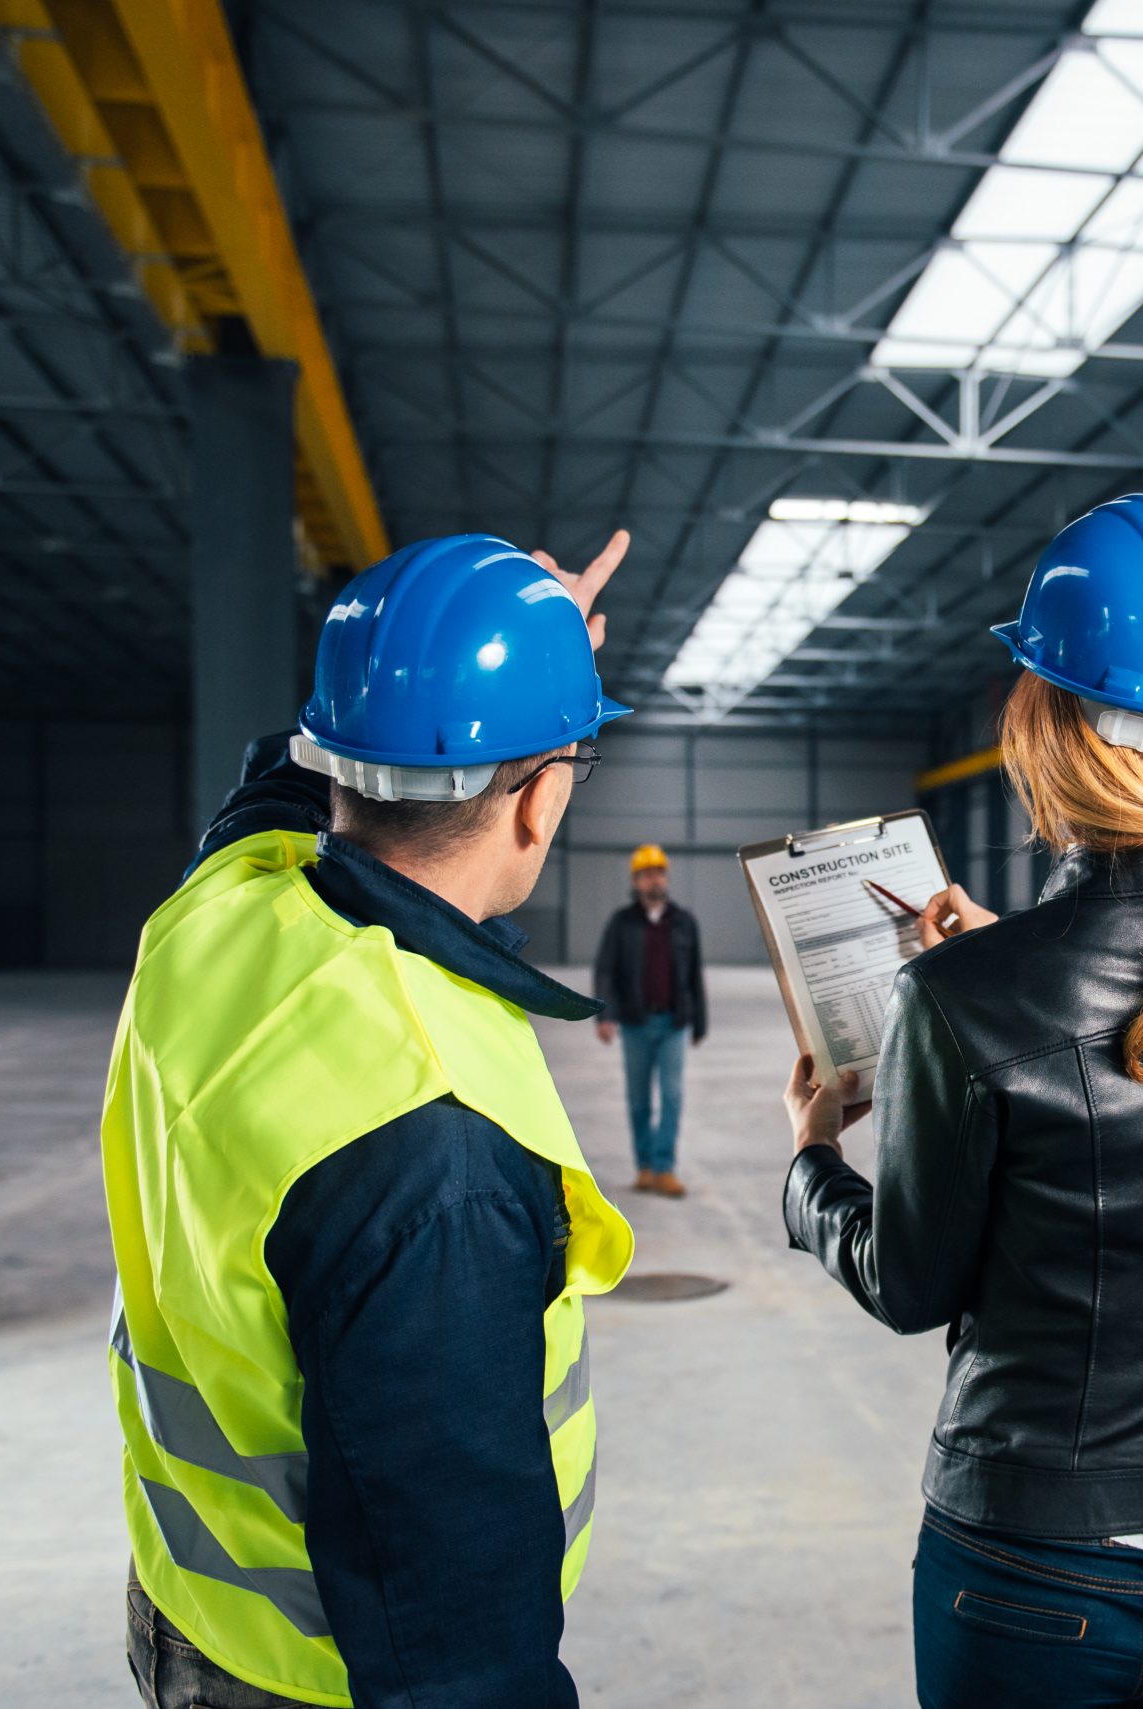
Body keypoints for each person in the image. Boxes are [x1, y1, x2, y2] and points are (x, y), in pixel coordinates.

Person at [779, 494, 1143, 1709]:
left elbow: (910, 1282)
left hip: (1028, 1559)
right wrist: (1013, 960)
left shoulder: (963, 999)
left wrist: (808, 1162)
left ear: (1042, 725)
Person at [101, 530, 638, 1709]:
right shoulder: (435, 1129)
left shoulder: (214, 909)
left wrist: (494, 655)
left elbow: (270, 785)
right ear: (542, 802)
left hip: (188, 1609)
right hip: (315, 1675)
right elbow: (454, 1627)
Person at [593, 842, 709, 1197]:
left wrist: (699, 1021)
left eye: (657, 873)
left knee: (672, 1096)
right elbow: (605, 970)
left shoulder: (684, 922)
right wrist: (605, 1015)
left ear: (665, 878)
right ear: (636, 881)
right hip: (635, 1023)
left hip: (673, 1023)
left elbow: (694, 975)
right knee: (639, 1099)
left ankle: (663, 1167)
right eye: (645, 875)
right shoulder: (621, 923)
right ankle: (644, 1166)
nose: (652, 880)